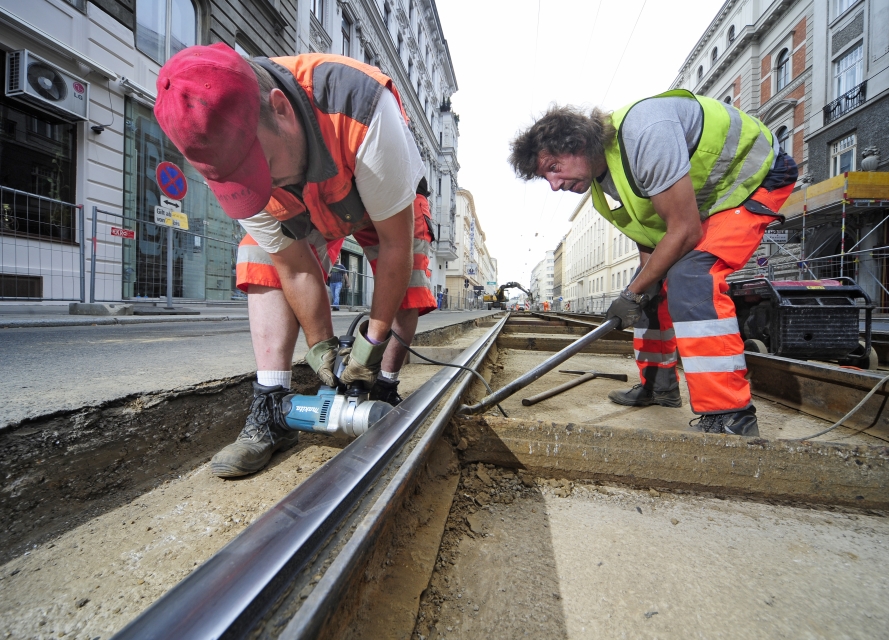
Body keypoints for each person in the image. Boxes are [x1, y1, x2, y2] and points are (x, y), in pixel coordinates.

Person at [155, 44, 437, 478]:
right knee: (259, 253)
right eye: (244, 179)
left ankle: (384, 387)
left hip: (374, 185)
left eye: (261, 164)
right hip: (306, 198)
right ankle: (270, 403)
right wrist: (321, 346)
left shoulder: (360, 107)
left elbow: (394, 246)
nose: (258, 183)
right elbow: (294, 266)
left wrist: (370, 346)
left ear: (281, 108)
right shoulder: (223, 159)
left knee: (409, 277)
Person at [509, 90, 797, 437]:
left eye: (553, 168)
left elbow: (685, 231)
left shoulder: (645, 133)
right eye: (546, 178)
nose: (554, 184)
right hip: (706, 204)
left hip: (754, 178)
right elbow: (651, 240)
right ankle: (658, 387)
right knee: (650, 288)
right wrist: (640, 291)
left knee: (693, 278)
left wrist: (631, 293)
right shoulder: (604, 190)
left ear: (579, 142)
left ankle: (731, 414)